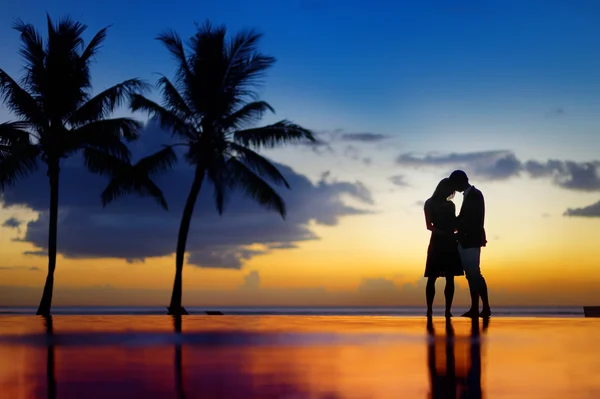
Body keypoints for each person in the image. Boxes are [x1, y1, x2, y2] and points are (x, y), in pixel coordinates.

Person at [449, 170, 491, 318]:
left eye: (454, 183)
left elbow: (475, 220)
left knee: (475, 273)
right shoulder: (470, 195)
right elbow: (464, 218)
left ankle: (484, 307)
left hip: (471, 240)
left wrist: (460, 232)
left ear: (460, 181)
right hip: (467, 239)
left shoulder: (475, 195)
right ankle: (476, 308)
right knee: (471, 274)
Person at [424, 178, 464, 318]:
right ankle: (429, 309)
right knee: (432, 276)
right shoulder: (429, 203)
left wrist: (461, 224)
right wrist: (446, 234)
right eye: (449, 189)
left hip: (450, 242)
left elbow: (454, 224)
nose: (451, 192)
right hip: (438, 242)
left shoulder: (451, 205)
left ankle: (448, 310)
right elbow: (429, 226)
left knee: (450, 277)